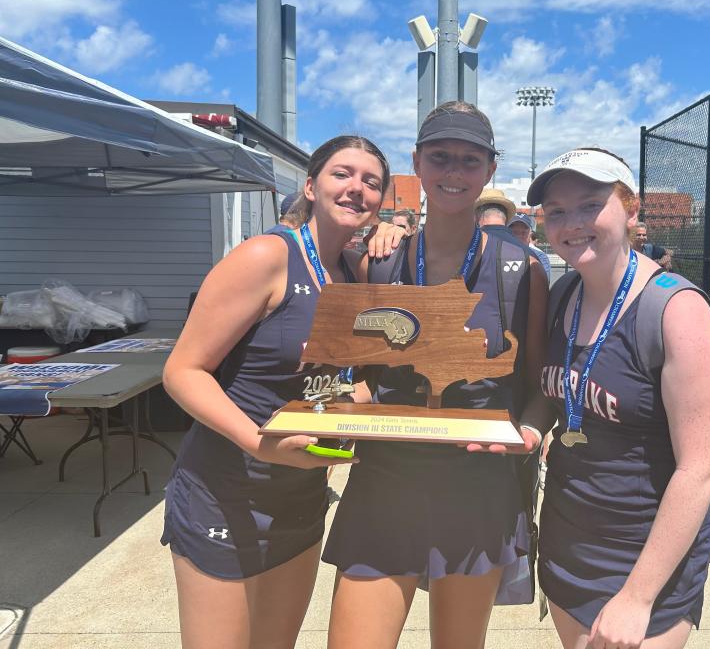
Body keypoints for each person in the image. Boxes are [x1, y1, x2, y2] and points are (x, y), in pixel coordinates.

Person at [160, 135, 404, 649]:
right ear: (311, 186)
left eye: (371, 181)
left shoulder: (351, 273)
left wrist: (363, 411)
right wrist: (258, 441)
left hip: (301, 498)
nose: (356, 188)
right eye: (343, 174)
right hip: (225, 493)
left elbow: (344, 382)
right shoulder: (267, 255)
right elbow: (183, 371)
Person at [323, 101, 549, 649]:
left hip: (477, 487)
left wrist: (533, 430)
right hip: (386, 480)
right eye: (440, 157)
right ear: (418, 163)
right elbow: (353, 370)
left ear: (489, 171)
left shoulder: (522, 268)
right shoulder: (377, 261)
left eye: (469, 161)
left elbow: (539, 387)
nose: (454, 172)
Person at [521, 147, 710, 648]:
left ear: (631, 209)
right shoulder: (565, 294)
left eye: (590, 204)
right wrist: (530, 426)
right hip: (568, 548)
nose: (572, 223)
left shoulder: (676, 310)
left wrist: (636, 598)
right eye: (557, 212)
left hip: (643, 565)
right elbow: (556, 395)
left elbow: (700, 470)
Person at [509, 212, 552, 279]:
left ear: (530, 234)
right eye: (514, 232)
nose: (519, 237)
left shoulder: (539, 256)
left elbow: (543, 284)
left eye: (523, 233)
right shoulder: (497, 253)